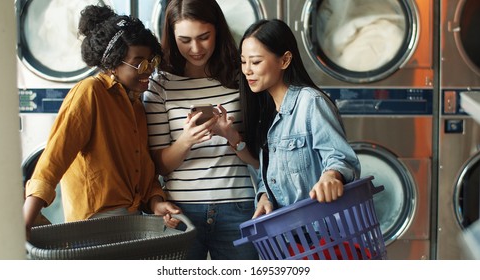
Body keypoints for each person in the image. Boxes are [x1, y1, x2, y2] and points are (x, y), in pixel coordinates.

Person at [23, 5, 181, 235]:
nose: (148, 70)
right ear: (113, 62)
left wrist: (157, 203)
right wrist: (25, 221)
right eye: (139, 62)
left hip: (133, 220)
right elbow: (53, 160)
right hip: (95, 223)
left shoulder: (136, 104)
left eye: (151, 61)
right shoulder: (90, 92)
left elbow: (144, 170)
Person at [143, 0, 259, 260]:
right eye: (185, 40)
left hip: (238, 205)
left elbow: (261, 155)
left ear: (218, 29)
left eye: (204, 37)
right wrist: (186, 140)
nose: (195, 49)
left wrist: (232, 137)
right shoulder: (160, 83)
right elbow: (160, 166)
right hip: (181, 209)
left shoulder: (240, 76)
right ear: (172, 37)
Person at [238, 19, 361, 218]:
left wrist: (331, 175)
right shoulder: (266, 114)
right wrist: (264, 197)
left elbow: (340, 158)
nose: (247, 70)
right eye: (243, 61)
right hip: (287, 237)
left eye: (256, 61)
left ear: (285, 60)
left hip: (322, 234)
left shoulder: (310, 103)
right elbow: (269, 177)